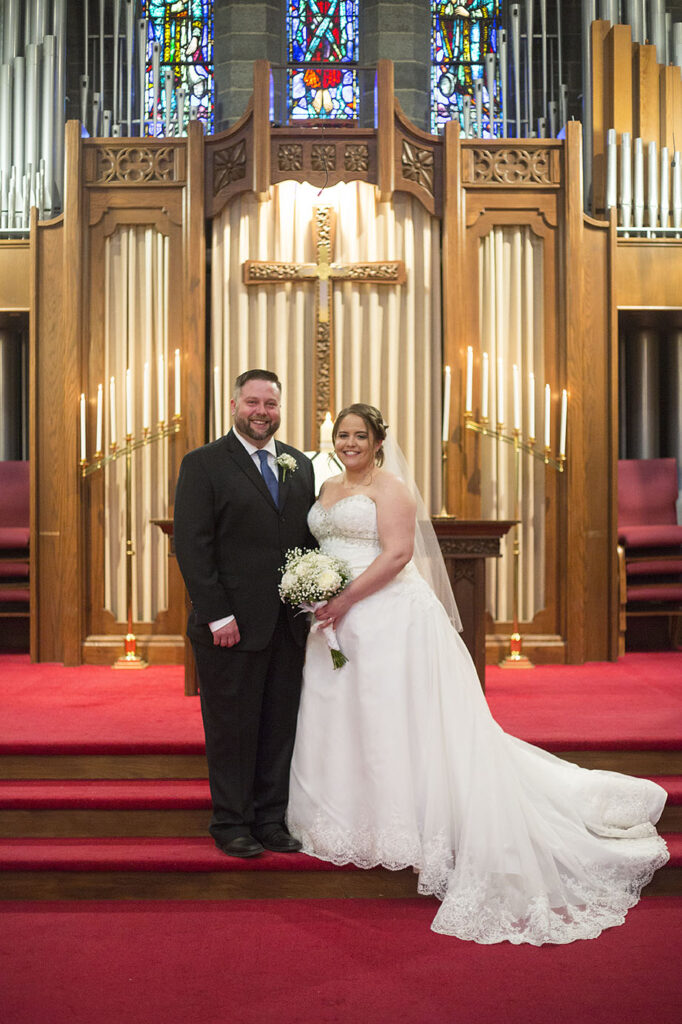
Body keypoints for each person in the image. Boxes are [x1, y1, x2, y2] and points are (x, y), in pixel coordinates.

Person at [287, 403, 669, 944]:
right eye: (342, 435)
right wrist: (314, 591)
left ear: (378, 441)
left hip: (385, 616)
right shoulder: (324, 489)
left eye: (360, 436)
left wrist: (343, 599)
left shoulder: (392, 489)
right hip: (333, 623)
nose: (349, 443)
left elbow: (397, 555)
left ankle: (408, 824)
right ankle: (347, 817)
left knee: (394, 718)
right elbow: (321, 545)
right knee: (344, 716)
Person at [174, 369, 316, 858]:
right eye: (253, 402)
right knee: (232, 726)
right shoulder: (204, 464)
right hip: (229, 626)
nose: (262, 412)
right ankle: (231, 822)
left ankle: (271, 819)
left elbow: (304, 540)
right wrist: (216, 615)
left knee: (280, 723)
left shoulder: (299, 464)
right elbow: (193, 546)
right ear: (234, 405)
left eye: (270, 404)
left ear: (280, 408)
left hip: (287, 625)